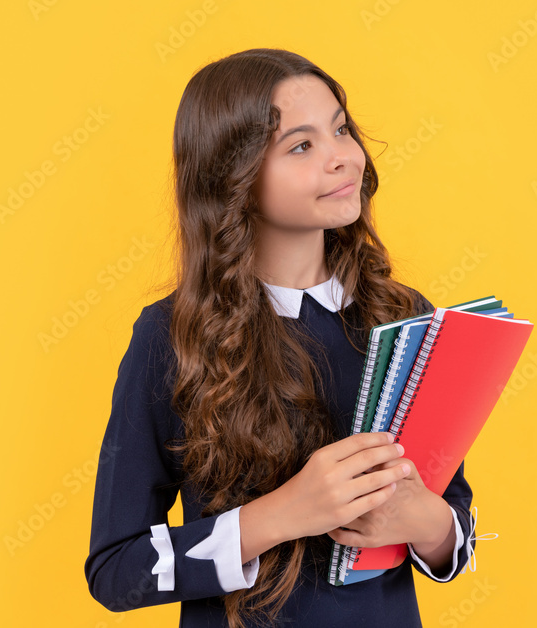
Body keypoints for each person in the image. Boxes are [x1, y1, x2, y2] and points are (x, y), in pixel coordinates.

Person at [83, 48, 476, 627]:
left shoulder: (407, 317)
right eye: (301, 145)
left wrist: (426, 521)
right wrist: (281, 515)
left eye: (341, 129)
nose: (343, 157)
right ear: (232, 177)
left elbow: (456, 529)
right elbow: (117, 571)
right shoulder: (170, 338)